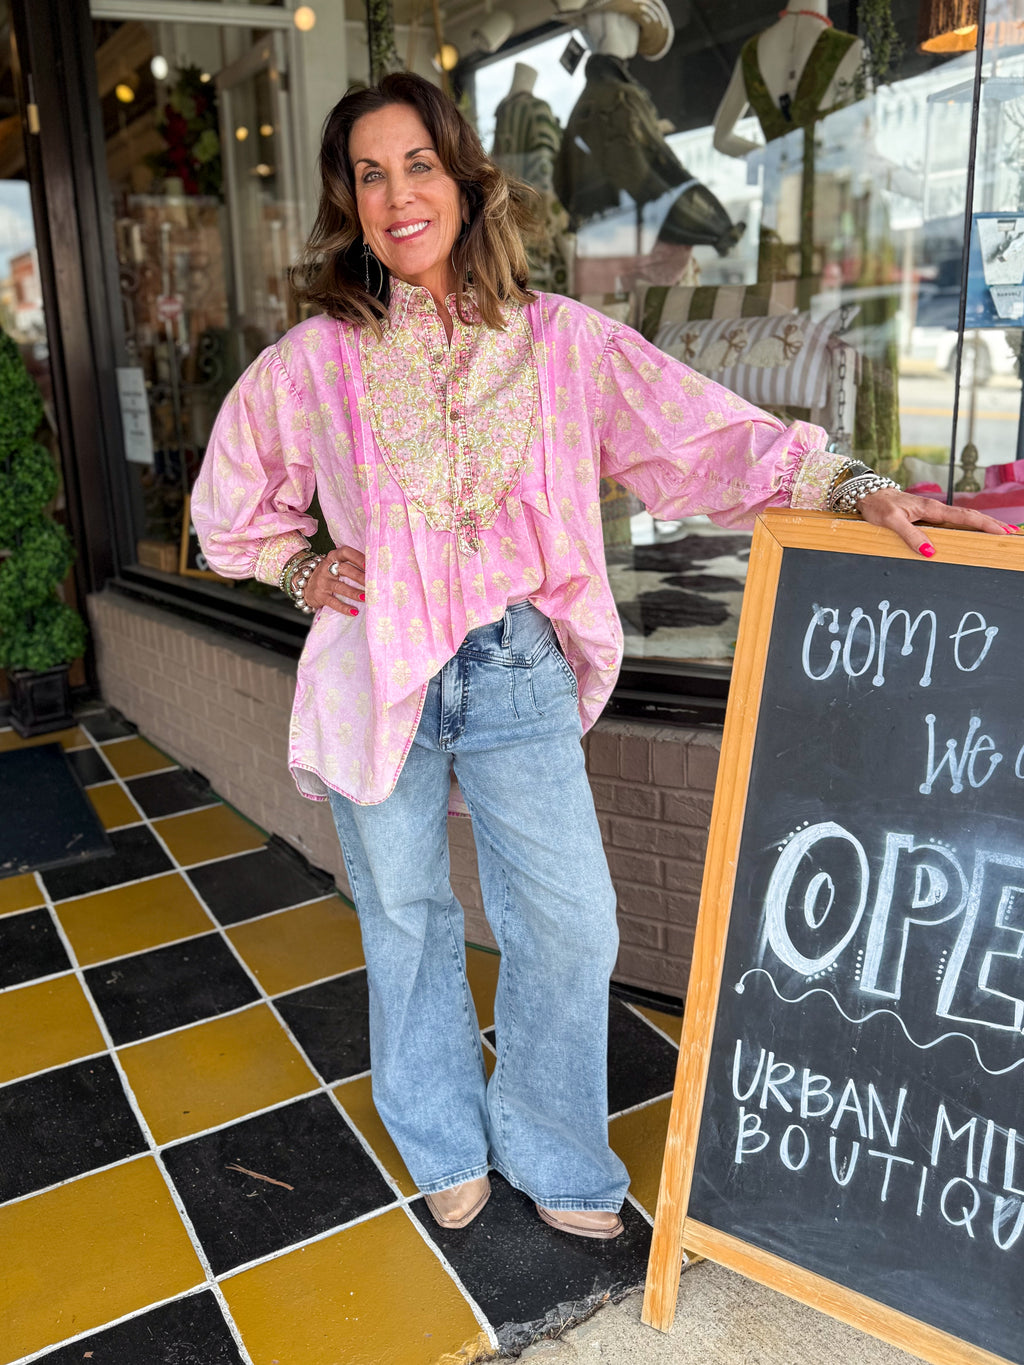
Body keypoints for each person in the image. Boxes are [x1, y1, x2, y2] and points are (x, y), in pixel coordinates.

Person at [190, 71, 1012, 1241]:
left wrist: (858, 483)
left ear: (466, 181)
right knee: (407, 916)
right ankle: (440, 1135)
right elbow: (231, 507)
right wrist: (299, 570)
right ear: (350, 203)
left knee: (571, 920)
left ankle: (551, 1144)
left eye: (417, 164)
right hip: (375, 671)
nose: (395, 195)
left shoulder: (561, 343)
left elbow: (706, 437)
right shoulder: (318, 357)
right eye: (369, 175)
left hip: (515, 665)